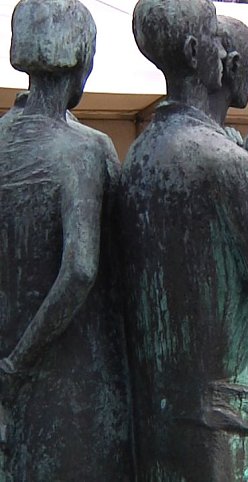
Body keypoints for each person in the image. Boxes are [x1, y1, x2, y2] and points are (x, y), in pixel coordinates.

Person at [121, 1, 248, 479]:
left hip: (162, 400)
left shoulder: (139, 155)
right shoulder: (229, 162)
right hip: (232, 409)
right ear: (193, 52)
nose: (224, 54)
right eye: (213, 41)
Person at [0, 0, 131, 478]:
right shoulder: (87, 150)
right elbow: (81, 268)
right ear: (81, 61)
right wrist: (17, 364)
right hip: (74, 383)